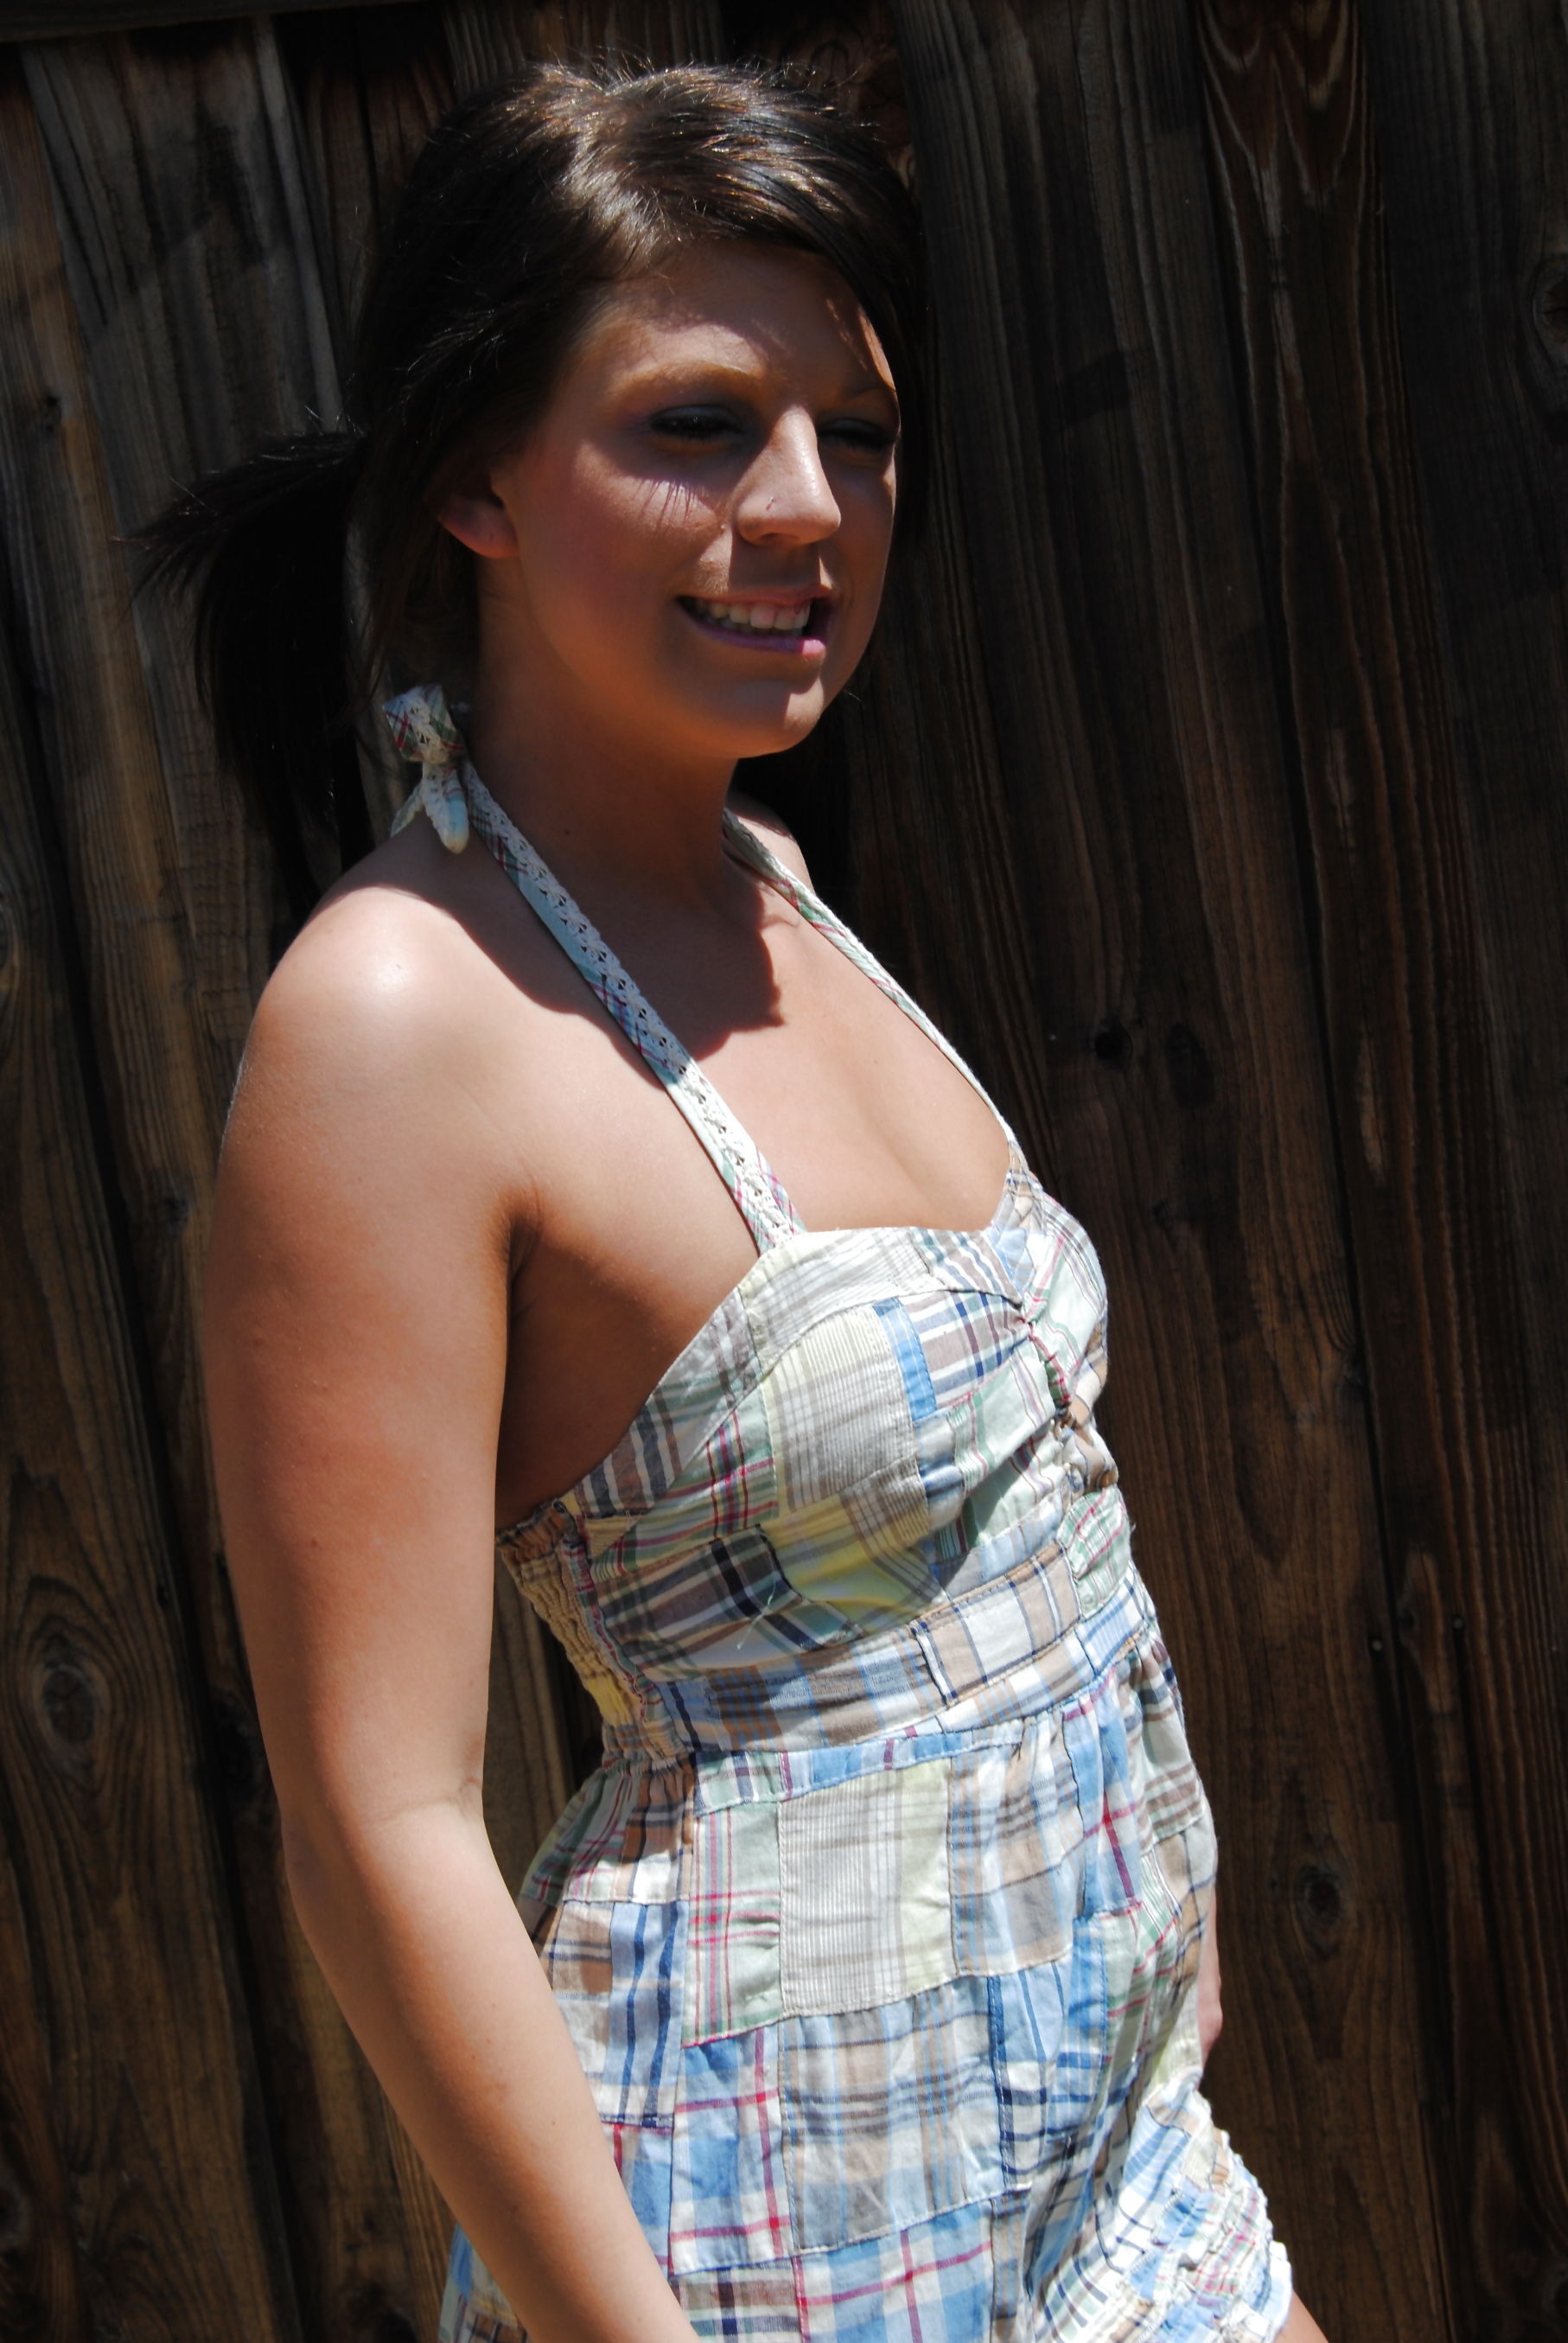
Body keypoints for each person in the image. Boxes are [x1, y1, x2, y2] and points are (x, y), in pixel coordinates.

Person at [147, 58, 1329, 2343]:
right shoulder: (396, 1021)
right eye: (698, 425)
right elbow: (379, 1829)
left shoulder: (771, 879)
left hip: (1120, 2169)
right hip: (781, 2244)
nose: (807, 506)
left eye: (857, 434)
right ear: (477, 476)